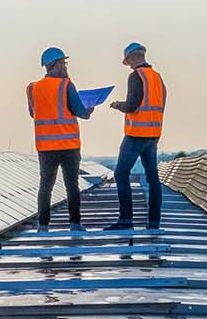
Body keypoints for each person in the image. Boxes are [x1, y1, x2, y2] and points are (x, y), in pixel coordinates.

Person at [27, 46, 95, 230]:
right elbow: (80, 112)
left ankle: (43, 226)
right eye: (63, 63)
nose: (65, 66)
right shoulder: (66, 85)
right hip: (68, 144)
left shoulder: (32, 88)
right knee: (72, 185)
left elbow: (33, 113)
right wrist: (88, 110)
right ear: (55, 65)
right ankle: (74, 223)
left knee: (45, 186)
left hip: (45, 146)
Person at [105, 41, 165, 230]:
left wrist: (117, 105)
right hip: (153, 134)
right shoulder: (157, 78)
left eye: (128, 60)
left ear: (132, 57)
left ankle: (125, 221)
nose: (128, 64)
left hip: (136, 133)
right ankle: (154, 222)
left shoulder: (136, 76)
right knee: (152, 177)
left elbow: (132, 105)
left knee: (120, 173)